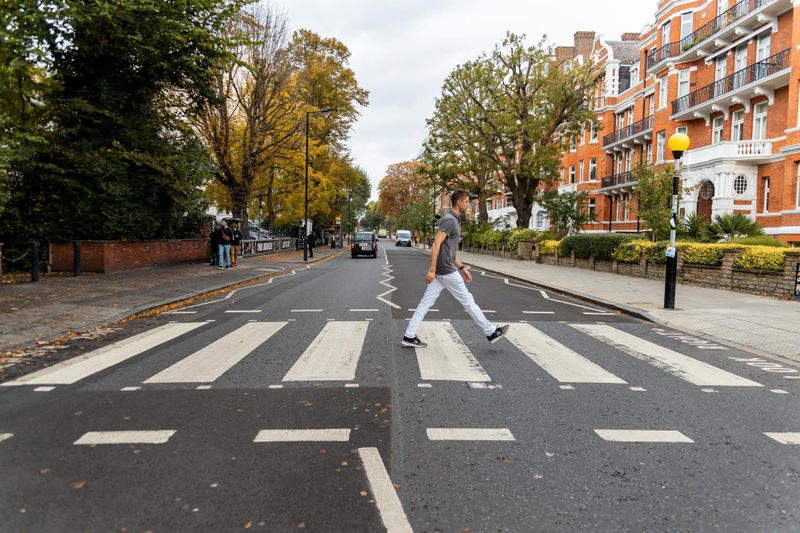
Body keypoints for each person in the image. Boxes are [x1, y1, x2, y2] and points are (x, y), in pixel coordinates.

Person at [402, 189, 509, 348]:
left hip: (445, 268)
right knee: (468, 301)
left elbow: (449, 250)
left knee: (425, 303)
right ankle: (491, 332)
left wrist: (462, 267)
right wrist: (432, 269)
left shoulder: (455, 220)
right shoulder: (450, 220)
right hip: (445, 270)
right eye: (466, 202)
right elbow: (436, 243)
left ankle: (409, 336)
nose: (468, 204)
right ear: (458, 202)